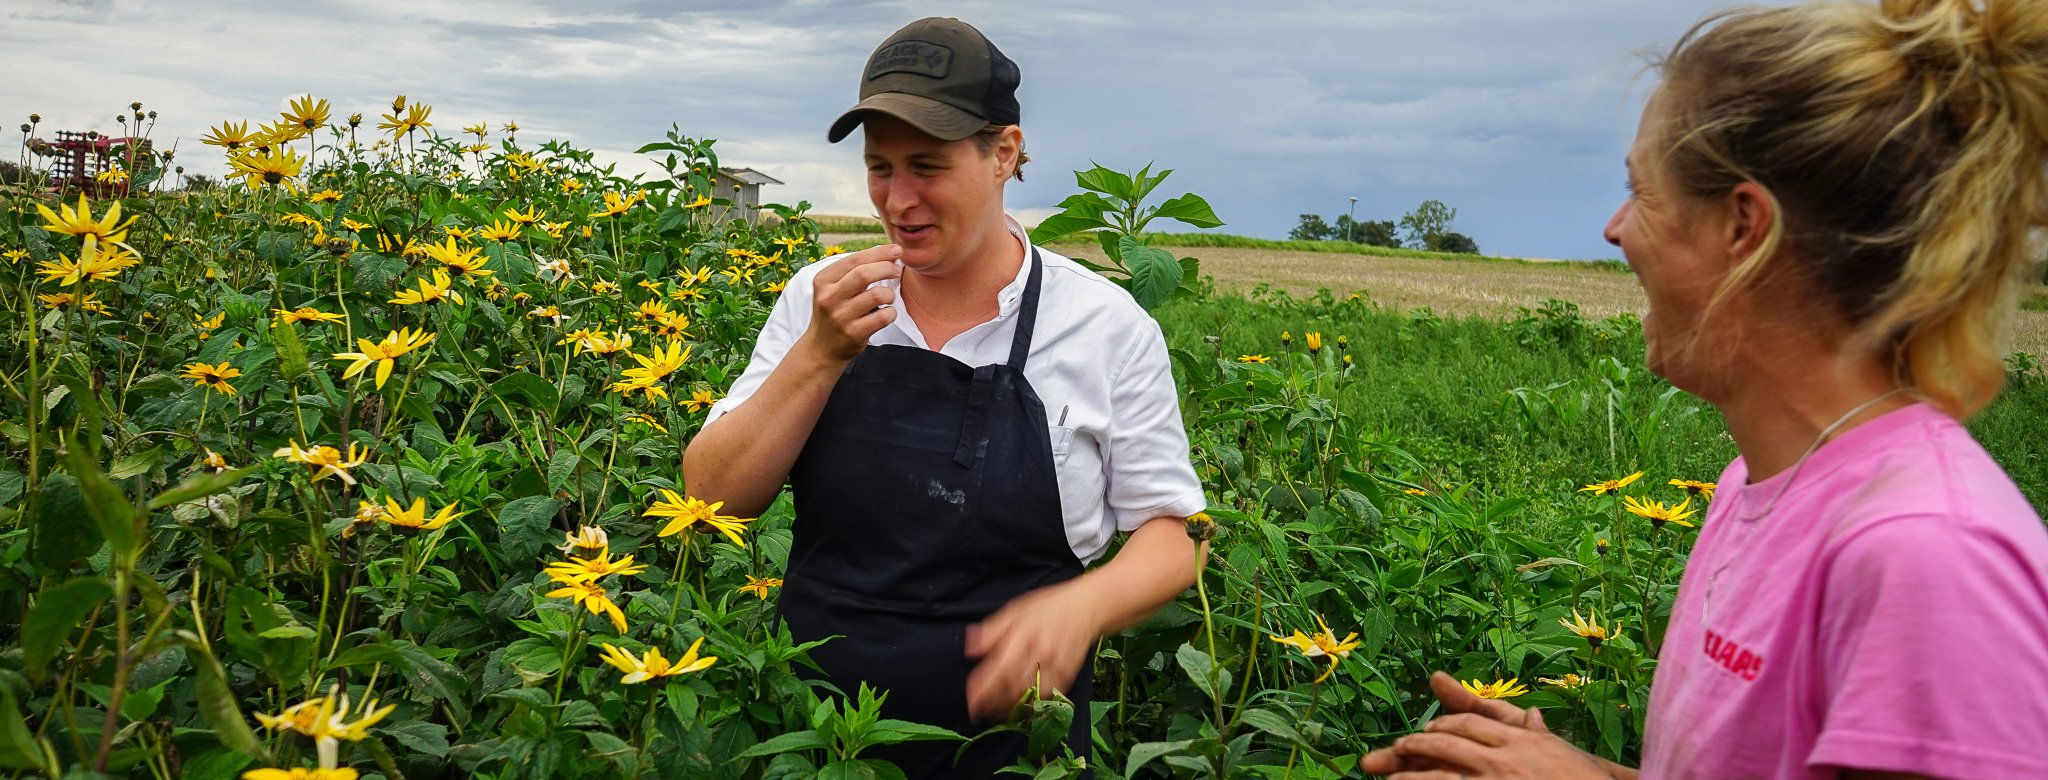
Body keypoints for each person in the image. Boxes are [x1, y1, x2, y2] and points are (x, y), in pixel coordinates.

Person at [1362, 0, 2048, 778]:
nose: (1615, 229)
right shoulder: (1759, 486)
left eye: (1642, 190)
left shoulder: (1926, 554)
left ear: (1743, 226)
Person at [682, 18, 1206, 777]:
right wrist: (820, 354)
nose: (897, 200)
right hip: (818, 736)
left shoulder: (1102, 326)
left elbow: (1173, 529)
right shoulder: (820, 299)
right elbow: (713, 496)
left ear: (1004, 153)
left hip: (1017, 743)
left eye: (926, 166)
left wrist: (1081, 608)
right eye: (879, 168)